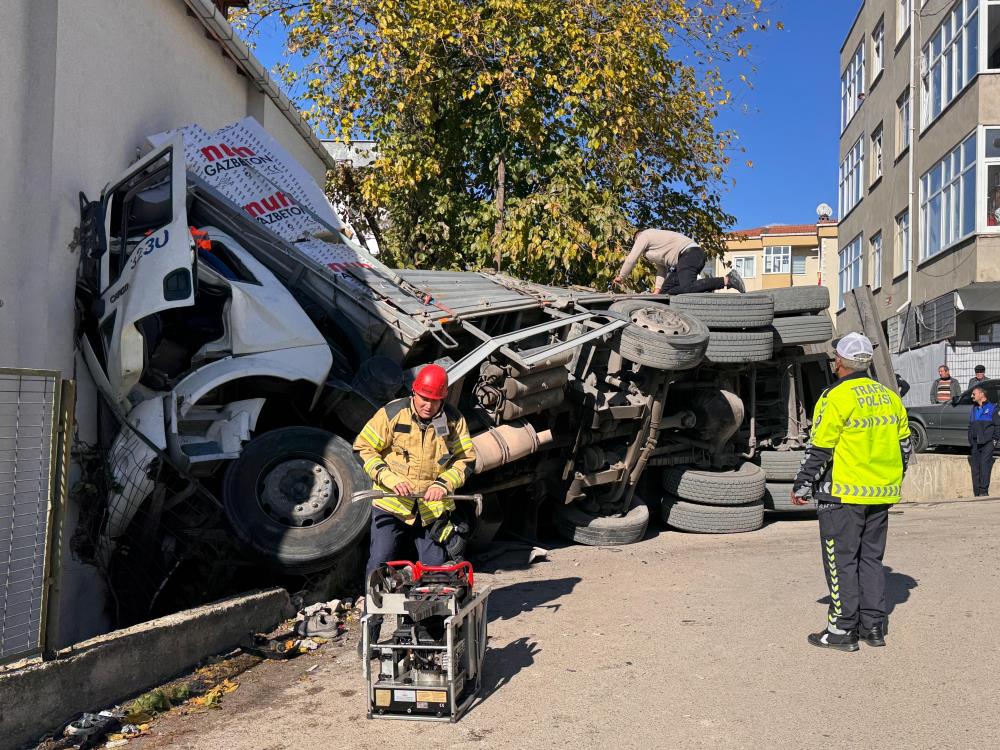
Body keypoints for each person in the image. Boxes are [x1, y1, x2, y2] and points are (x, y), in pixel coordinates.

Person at [791, 333, 911, 652]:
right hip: (881, 494)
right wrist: (889, 478)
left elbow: (820, 448)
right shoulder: (889, 397)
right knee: (871, 559)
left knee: (841, 561)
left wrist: (803, 483)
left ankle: (841, 630)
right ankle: (873, 628)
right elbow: (905, 446)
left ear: (840, 363)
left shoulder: (836, 396)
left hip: (842, 495)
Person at [353, 363, 477, 649]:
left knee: (434, 574)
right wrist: (389, 477)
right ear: (414, 393)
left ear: (442, 399)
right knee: (379, 569)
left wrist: (444, 484)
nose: (427, 405)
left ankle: (430, 634)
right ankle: (370, 632)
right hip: (391, 505)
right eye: (423, 398)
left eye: (434, 400)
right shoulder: (392, 414)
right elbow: (363, 448)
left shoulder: (454, 421)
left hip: (431, 511)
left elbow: (466, 460)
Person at [613, 228, 745, 295]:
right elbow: (661, 268)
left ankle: (727, 280)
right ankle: (697, 294)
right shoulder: (655, 247)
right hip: (686, 260)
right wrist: (657, 290)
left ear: (637, 237)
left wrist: (621, 277)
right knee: (665, 293)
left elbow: (631, 259)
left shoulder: (644, 235)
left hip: (690, 254)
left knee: (688, 287)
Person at [968, 385, 1000, 497]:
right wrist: (971, 440)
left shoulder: (993, 408)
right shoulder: (974, 408)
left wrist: (994, 440)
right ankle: (976, 493)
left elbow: (998, 426)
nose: (972, 396)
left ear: (982, 394)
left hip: (988, 443)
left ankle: (983, 491)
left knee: (984, 466)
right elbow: (970, 425)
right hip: (976, 443)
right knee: (975, 468)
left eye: (974, 394)